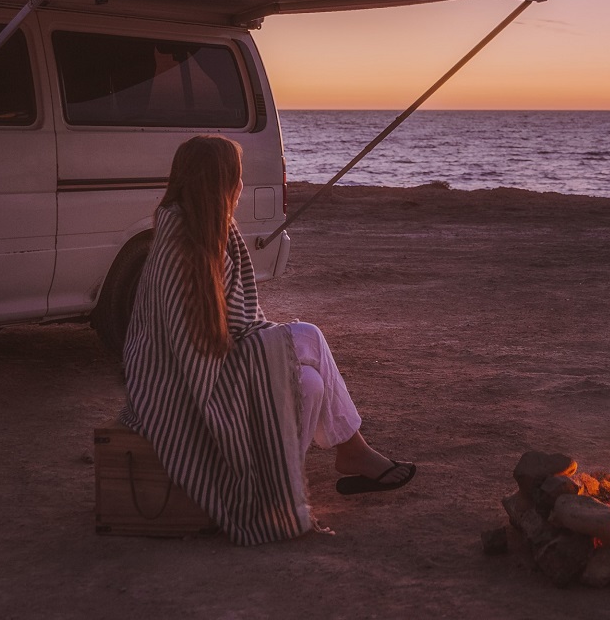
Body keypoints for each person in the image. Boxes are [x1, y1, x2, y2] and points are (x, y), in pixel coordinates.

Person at [118, 135, 414, 545]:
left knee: (309, 383)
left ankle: (283, 488)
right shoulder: (182, 246)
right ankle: (352, 452)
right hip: (183, 386)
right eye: (237, 178)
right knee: (307, 337)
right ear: (221, 183)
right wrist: (275, 345)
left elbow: (234, 326)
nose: (241, 187)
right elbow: (202, 342)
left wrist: (270, 345)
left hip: (211, 365)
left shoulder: (202, 233)